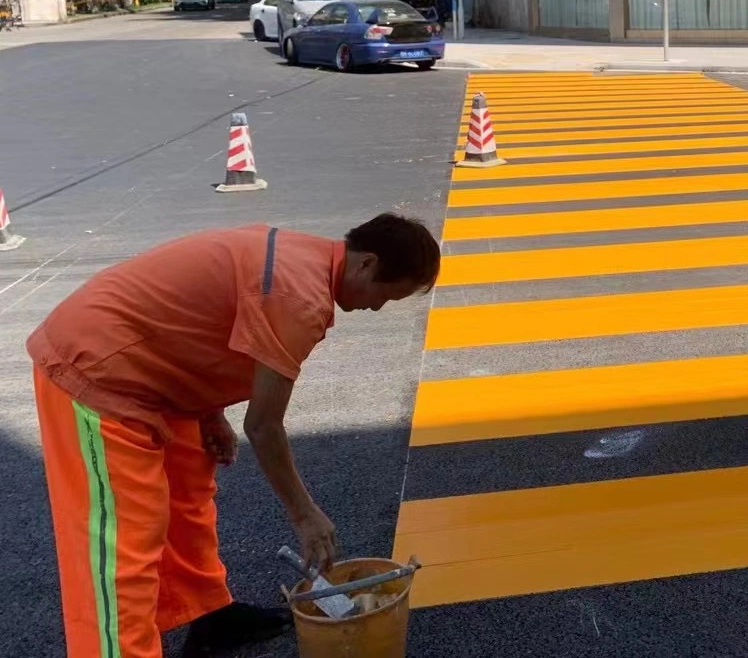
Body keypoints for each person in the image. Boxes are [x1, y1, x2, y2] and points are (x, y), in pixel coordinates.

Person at [27, 213, 441, 658]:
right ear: (366, 264)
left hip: (155, 375)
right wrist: (305, 515)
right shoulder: (300, 298)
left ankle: (204, 612)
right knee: (118, 552)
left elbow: (204, 322)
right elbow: (263, 426)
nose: (377, 308)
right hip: (95, 372)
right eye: (385, 295)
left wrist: (210, 412)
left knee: (188, 495)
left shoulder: (305, 256)